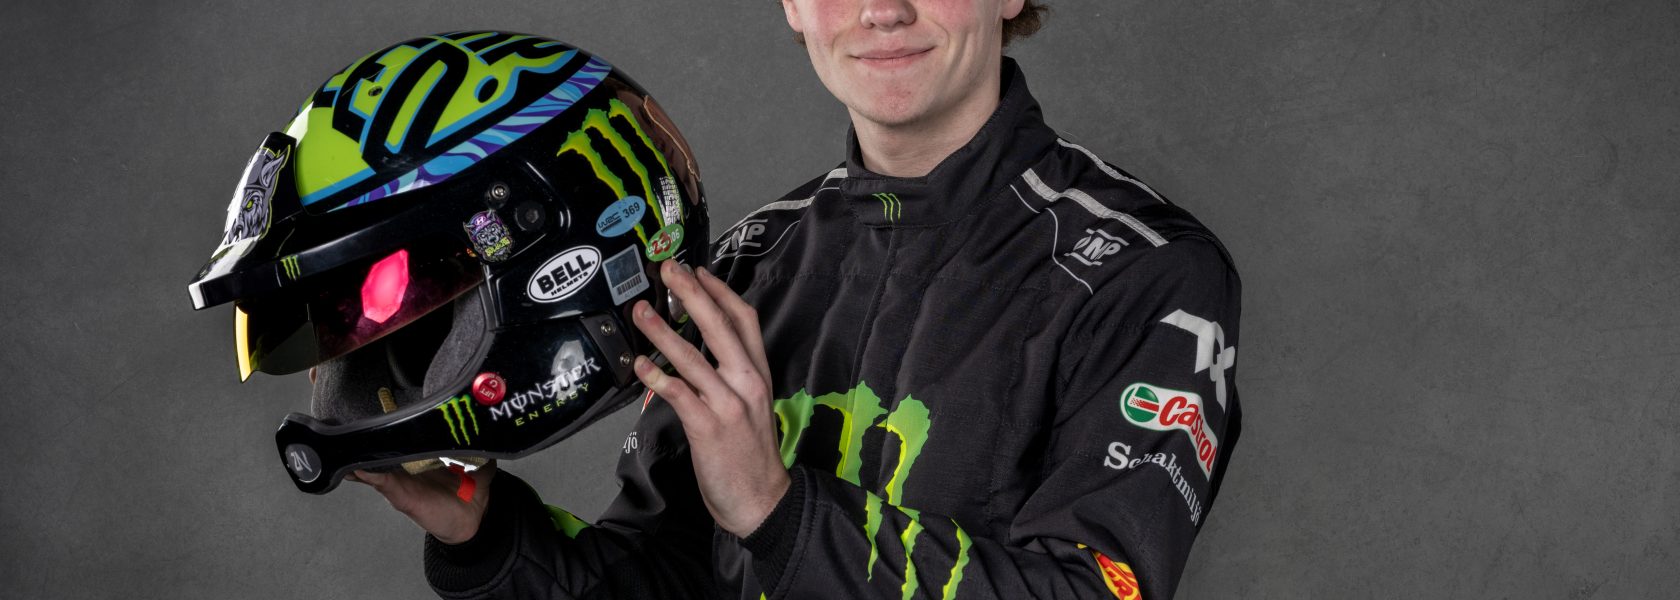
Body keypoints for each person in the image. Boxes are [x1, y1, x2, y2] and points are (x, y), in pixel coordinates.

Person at [357, 1, 1243, 598]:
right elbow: (662, 580)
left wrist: (778, 514)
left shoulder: (1146, 273)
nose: (883, 9)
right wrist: (487, 536)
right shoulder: (746, 262)